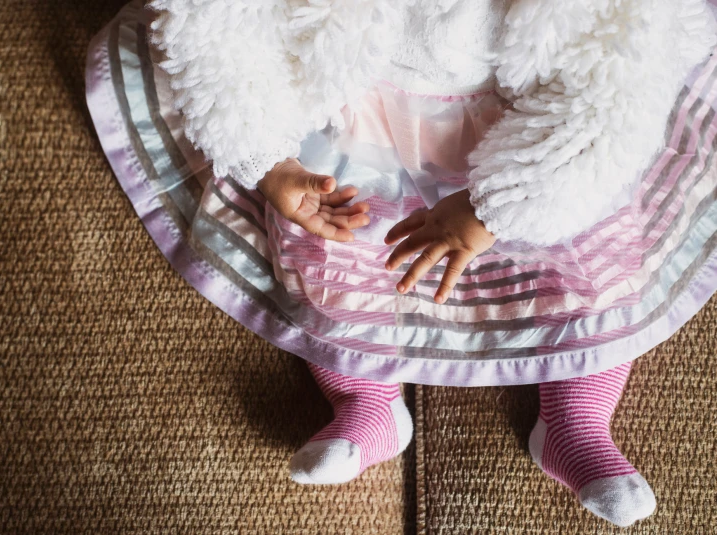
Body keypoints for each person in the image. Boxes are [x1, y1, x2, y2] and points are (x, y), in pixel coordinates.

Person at [86, 0, 717, 526]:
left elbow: (612, 84)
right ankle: (367, 403)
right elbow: (224, 22)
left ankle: (575, 422)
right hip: (361, 110)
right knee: (328, 250)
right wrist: (266, 155)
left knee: (598, 259)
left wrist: (500, 206)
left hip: (535, 132)